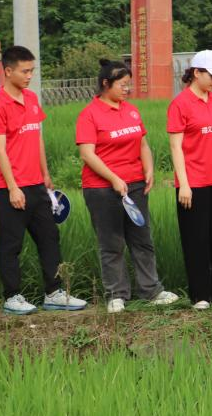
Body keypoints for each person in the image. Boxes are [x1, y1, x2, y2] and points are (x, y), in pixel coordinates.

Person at [0, 45, 87, 315]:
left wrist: (45, 173)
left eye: (32, 70)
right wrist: (12, 187)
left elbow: (37, 137)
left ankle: (54, 292)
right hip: (13, 187)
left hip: (36, 184)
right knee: (11, 244)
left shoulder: (31, 98)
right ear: (8, 71)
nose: (29, 75)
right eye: (24, 71)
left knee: (49, 237)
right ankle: (12, 297)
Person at [76, 59, 179, 314]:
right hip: (102, 189)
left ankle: (151, 290)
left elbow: (142, 144)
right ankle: (116, 294)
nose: (127, 89)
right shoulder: (90, 114)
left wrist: (149, 169)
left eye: (128, 84)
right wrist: (113, 178)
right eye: (122, 85)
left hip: (135, 185)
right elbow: (87, 154)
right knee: (111, 242)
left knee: (142, 239)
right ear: (105, 84)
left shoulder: (131, 110)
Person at [168, 50, 212, 310]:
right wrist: (183, 184)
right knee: (196, 239)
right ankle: (200, 295)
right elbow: (176, 147)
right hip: (193, 182)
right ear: (196, 73)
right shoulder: (180, 104)